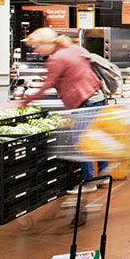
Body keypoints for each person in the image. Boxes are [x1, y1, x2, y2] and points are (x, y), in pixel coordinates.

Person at [19, 28, 106, 188]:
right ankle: (103, 176)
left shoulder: (57, 59)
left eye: (37, 46)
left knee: (82, 142)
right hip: (97, 96)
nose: (36, 51)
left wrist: (22, 103)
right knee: (96, 137)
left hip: (84, 101)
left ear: (45, 44)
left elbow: (46, 85)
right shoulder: (73, 49)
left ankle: (89, 183)